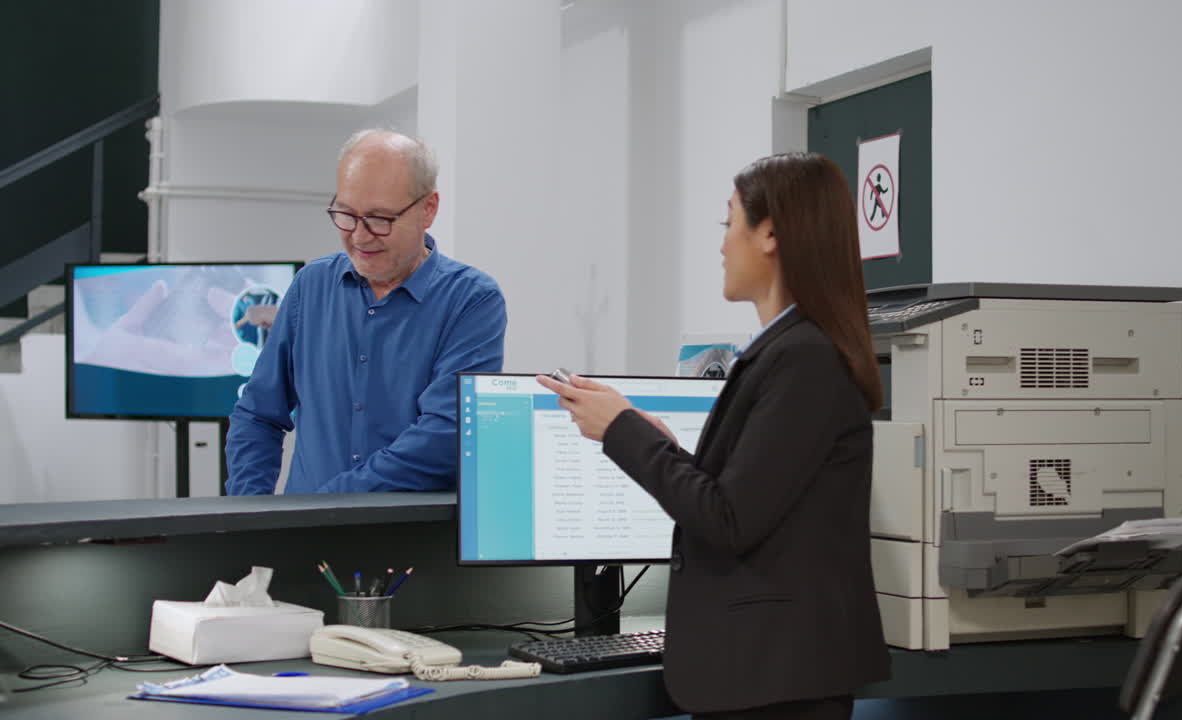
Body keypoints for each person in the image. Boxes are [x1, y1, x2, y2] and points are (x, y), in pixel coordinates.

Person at [537, 152, 889, 718]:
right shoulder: (785, 351)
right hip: (762, 671)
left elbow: (728, 519)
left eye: (729, 223)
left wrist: (622, 432)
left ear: (770, 232)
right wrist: (656, 440)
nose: (722, 244)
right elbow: (748, 496)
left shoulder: (805, 359)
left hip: (776, 676)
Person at [225, 129, 506, 494]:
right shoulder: (311, 286)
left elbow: (442, 437)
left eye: (379, 219)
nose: (359, 236)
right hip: (301, 539)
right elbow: (257, 414)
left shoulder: (471, 300)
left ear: (428, 209)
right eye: (345, 214)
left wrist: (326, 507)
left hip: (408, 543)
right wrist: (250, 515)